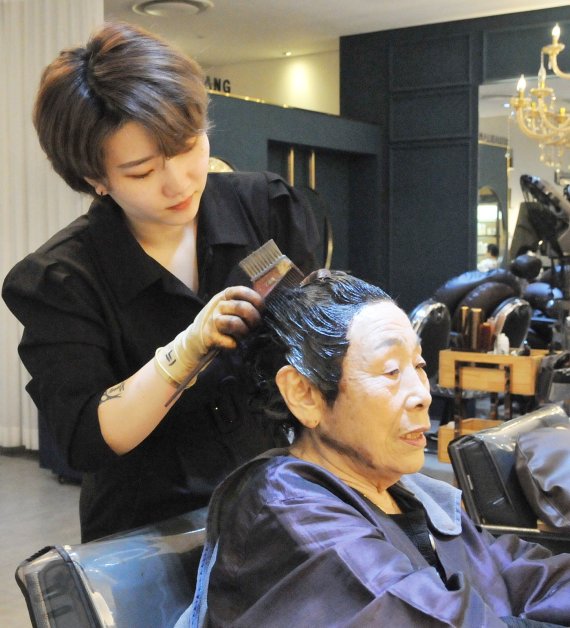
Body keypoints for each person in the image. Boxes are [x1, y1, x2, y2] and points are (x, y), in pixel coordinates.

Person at [1, 21, 318, 542]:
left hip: (278, 502)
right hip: (150, 534)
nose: (179, 183)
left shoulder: (265, 207)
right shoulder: (60, 280)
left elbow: (312, 337)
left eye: (188, 146)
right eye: (142, 172)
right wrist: (183, 354)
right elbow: (87, 438)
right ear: (95, 179)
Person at [182, 270, 570, 627]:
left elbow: (522, 576)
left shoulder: (414, 496)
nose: (422, 394)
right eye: (391, 371)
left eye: (419, 366)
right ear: (305, 395)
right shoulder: (289, 511)